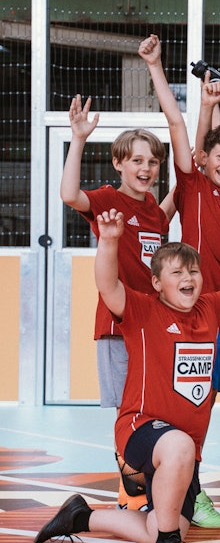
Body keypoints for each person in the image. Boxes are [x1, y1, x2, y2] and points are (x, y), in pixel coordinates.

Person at [34, 210, 220, 543]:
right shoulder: (142, 310)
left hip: (185, 452)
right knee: (176, 469)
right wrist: (109, 241)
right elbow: (108, 284)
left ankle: (80, 517)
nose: (188, 278)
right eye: (177, 273)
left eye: (193, 271)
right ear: (157, 283)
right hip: (141, 429)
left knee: (163, 527)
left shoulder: (210, 308)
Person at [139, 35, 220, 529]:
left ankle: (189, 488)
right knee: (179, 401)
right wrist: (159, 69)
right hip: (187, 316)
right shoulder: (194, 187)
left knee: (205, 403)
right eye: (219, 157)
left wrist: (217, 110)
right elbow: (182, 129)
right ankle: (177, 490)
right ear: (204, 160)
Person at [59, 91, 170, 513]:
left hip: (152, 326)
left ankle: (156, 484)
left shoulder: (155, 211)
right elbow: (70, 195)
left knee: (153, 406)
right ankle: (131, 490)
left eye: (153, 161)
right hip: (118, 325)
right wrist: (78, 139)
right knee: (128, 409)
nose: (146, 168)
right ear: (118, 163)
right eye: (137, 160)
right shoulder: (108, 199)